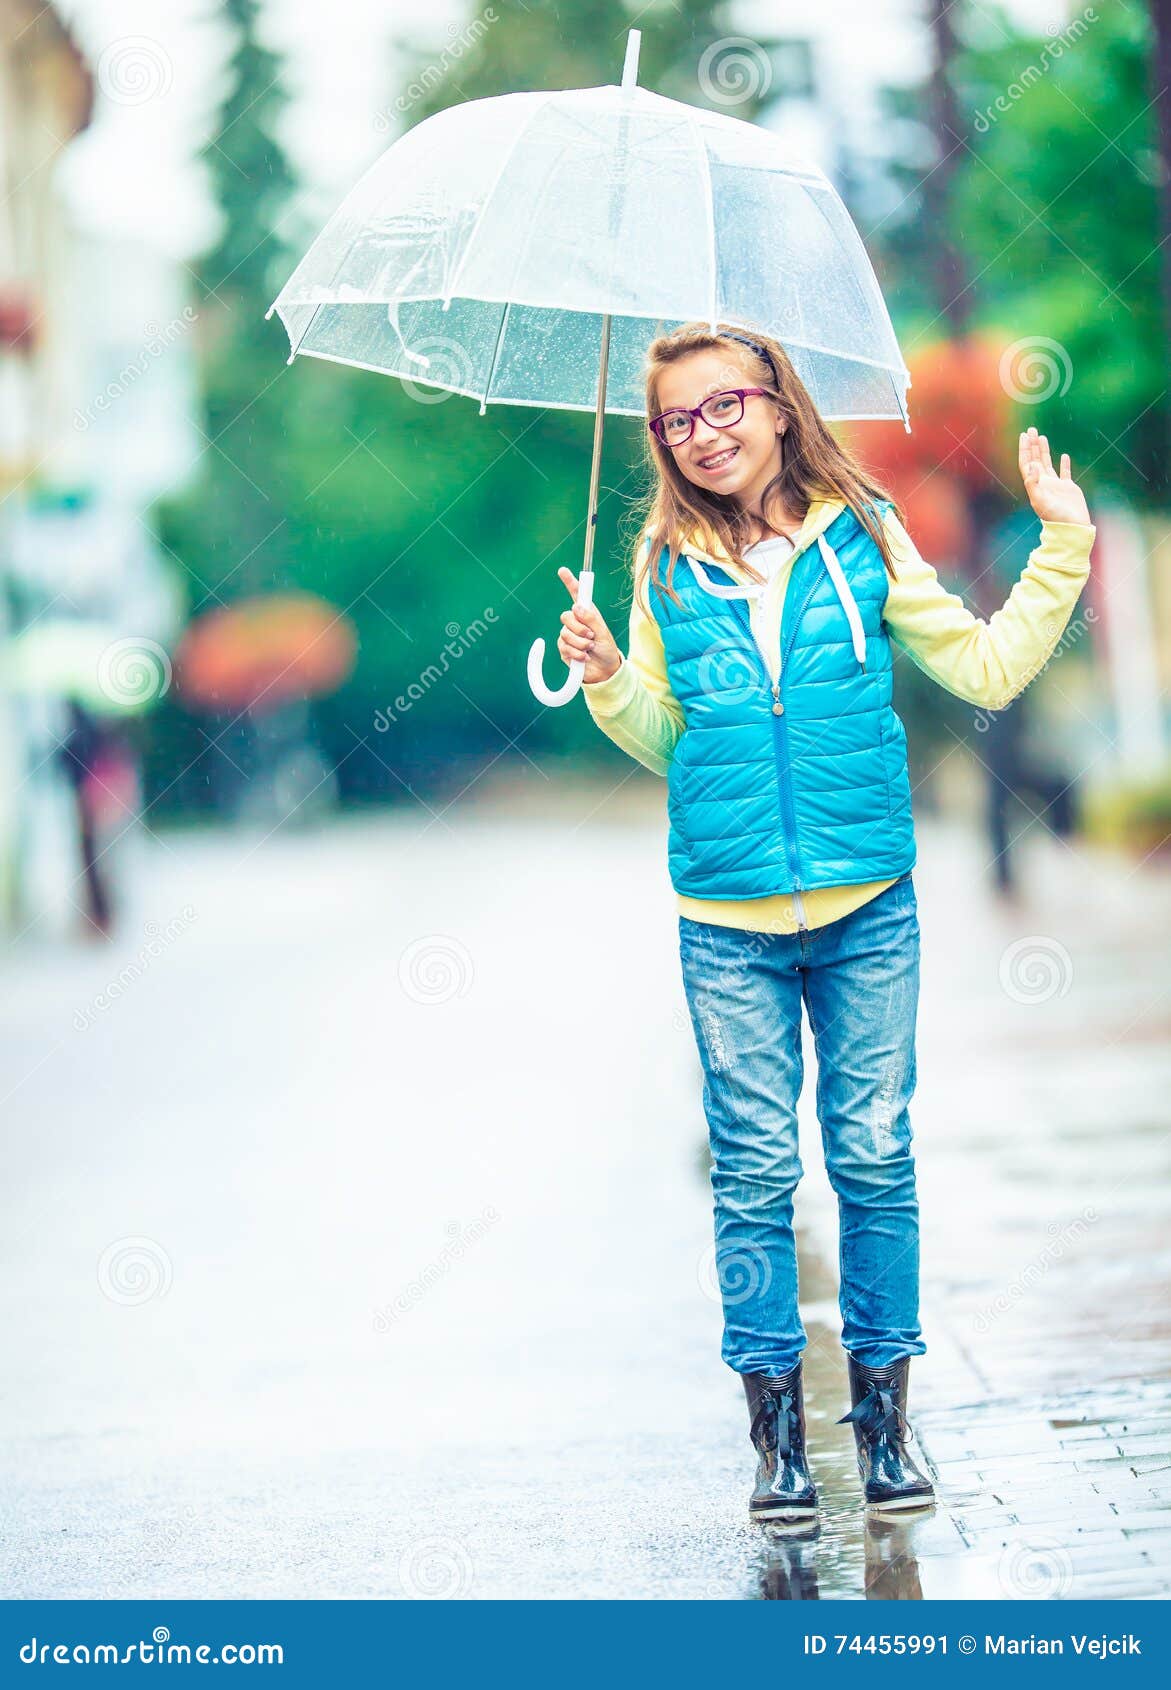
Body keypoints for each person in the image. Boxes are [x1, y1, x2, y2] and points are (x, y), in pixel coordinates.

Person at [558, 322, 1094, 1521]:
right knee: (752, 1174)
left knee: (871, 1156)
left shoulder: (865, 535)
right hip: (724, 916)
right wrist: (607, 678)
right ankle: (777, 1444)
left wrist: (1060, 546)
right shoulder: (657, 566)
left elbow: (988, 667)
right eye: (675, 421)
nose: (703, 434)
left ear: (778, 403)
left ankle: (887, 1427)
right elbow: (666, 741)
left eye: (721, 405)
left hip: (867, 906)